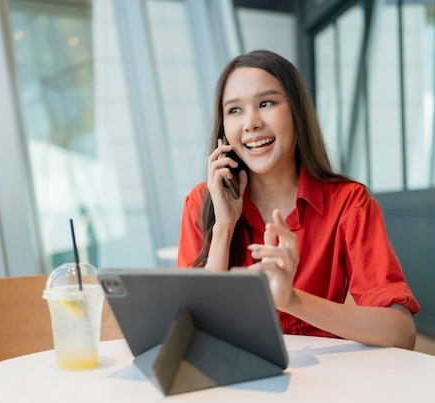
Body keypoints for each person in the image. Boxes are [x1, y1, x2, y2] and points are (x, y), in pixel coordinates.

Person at [176, 50, 420, 349]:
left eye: (266, 103)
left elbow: (401, 333)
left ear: (296, 111)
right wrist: (224, 229)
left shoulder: (349, 203)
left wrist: (291, 299)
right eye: (235, 110)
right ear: (224, 129)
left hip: (322, 385)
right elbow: (191, 334)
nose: (251, 123)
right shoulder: (201, 202)